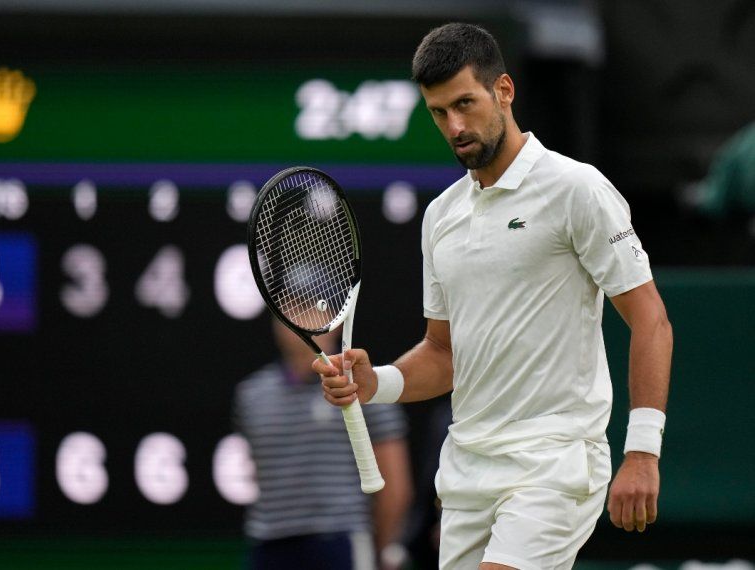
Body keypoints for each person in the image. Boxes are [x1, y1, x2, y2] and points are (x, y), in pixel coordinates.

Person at [315, 22, 673, 570]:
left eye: (465, 103)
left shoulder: (577, 189)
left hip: (554, 466)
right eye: (438, 112)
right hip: (468, 473)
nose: (454, 126)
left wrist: (643, 452)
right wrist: (376, 382)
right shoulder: (440, 217)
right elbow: (444, 353)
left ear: (503, 91)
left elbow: (650, 319)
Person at [233, 318, 413, 570]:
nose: (299, 321)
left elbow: (395, 485)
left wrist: (381, 548)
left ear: (336, 321)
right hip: (269, 543)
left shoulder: (365, 387)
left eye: (311, 308)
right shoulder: (251, 395)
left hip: (342, 540)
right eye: (291, 307)